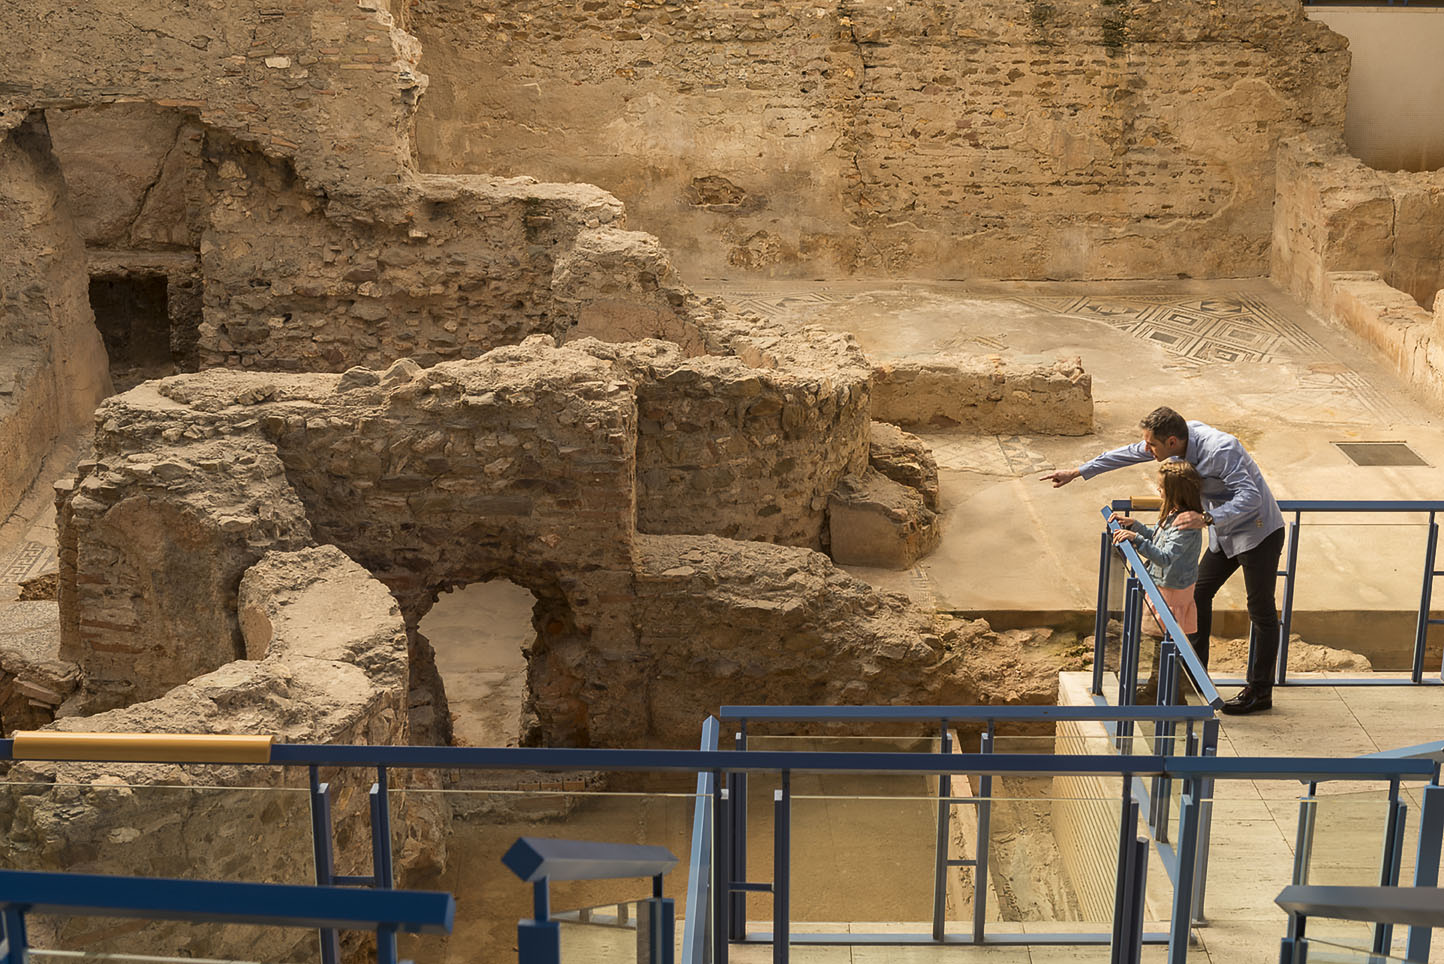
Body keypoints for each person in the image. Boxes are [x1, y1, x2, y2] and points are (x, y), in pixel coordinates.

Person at [1040, 406, 1286, 714]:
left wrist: (1207, 517)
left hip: (1257, 532)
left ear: (1172, 442)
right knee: (1199, 594)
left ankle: (1260, 691)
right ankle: (1195, 677)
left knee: (1259, 610)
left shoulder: (1222, 450)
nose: (1147, 450)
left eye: (1152, 445)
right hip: (1221, 533)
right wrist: (1078, 472)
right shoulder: (1176, 440)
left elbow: (1251, 497)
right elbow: (1129, 452)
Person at [1110, 461, 1205, 702]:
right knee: (1160, 643)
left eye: (1162, 487)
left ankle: (1171, 697)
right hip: (1164, 587)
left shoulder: (1187, 523)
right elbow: (1159, 539)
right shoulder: (1175, 514)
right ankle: (1156, 688)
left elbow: (1164, 556)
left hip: (1172, 592)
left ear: (1175, 491)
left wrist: (1136, 540)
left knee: (1167, 644)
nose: (1158, 491)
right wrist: (1137, 527)